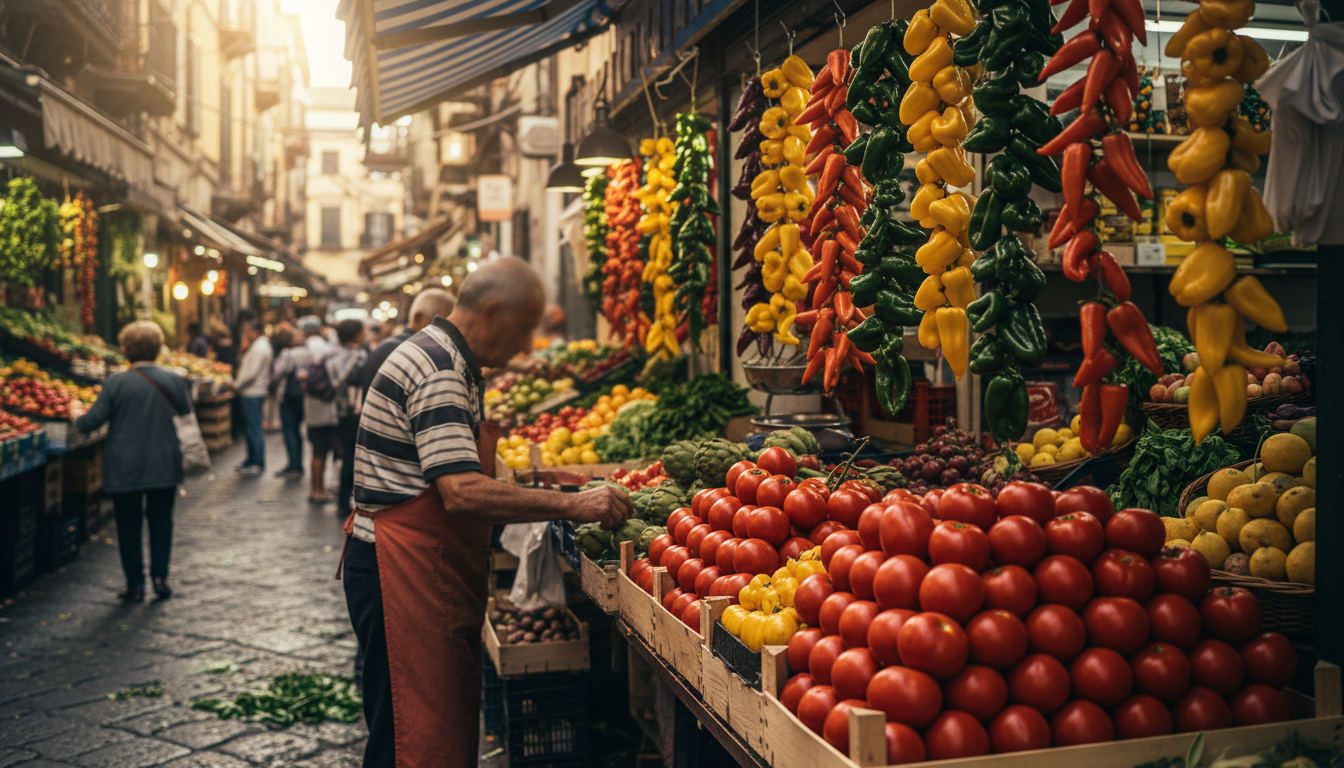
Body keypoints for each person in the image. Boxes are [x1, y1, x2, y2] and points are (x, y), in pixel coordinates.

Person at [341, 258, 632, 768]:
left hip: (418, 566)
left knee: (425, 723)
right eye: (522, 330)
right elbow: (462, 492)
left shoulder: (446, 358)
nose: (523, 348)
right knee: (410, 735)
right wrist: (573, 505)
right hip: (399, 571)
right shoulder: (438, 370)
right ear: (493, 312)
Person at [74, 322, 193, 602]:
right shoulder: (175, 380)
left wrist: (74, 413)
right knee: (162, 520)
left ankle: (135, 584)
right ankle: (161, 576)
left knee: (128, 523)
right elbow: (187, 415)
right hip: (164, 461)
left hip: (124, 464)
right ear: (158, 348)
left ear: (126, 349)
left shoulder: (116, 382)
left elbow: (90, 422)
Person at [359, 288, 455, 396]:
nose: (446, 331)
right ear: (418, 318)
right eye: (440, 324)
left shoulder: (388, 347)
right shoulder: (405, 350)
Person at [296, 315, 339, 503]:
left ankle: (316, 489)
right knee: (321, 451)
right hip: (324, 409)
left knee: (317, 451)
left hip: (313, 409)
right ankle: (317, 490)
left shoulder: (305, 348)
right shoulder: (321, 346)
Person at [331, 319, 368, 516]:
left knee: (345, 454)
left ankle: (342, 499)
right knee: (354, 457)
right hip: (354, 411)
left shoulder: (332, 354)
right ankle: (348, 499)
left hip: (336, 411)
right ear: (356, 334)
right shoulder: (359, 355)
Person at [232, 319, 272, 475]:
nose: (245, 334)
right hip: (252, 392)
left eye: (247, 330)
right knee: (251, 428)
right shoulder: (257, 346)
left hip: (253, 392)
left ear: (255, 331)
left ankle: (256, 461)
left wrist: (237, 384)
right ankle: (252, 459)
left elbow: (251, 372)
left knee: (254, 428)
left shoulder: (259, 348)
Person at [271, 326, 308, 478]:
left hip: (288, 395)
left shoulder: (288, 353)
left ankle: (293, 465)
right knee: (298, 430)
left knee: (289, 429)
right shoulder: (308, 352)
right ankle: (298, 463)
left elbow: (278, 372)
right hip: (303, 395)